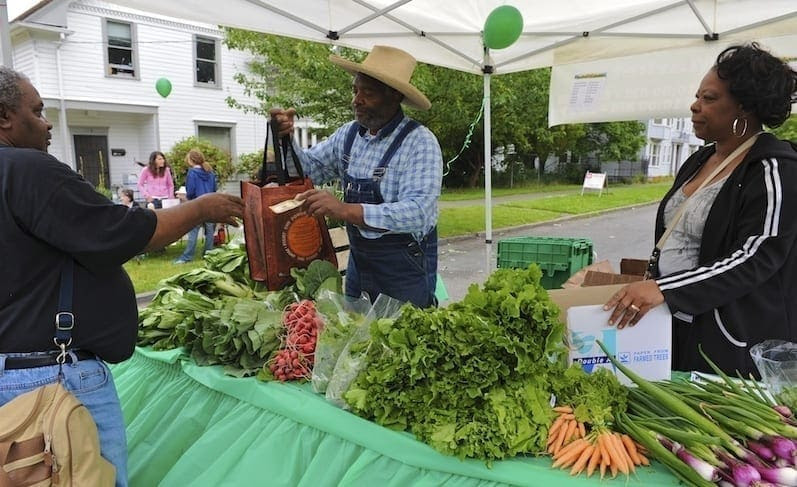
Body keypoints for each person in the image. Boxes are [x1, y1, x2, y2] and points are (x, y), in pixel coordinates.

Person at [0, 66, 243, 486]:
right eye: (38, 112)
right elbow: (122, 232)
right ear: (4, 116)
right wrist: (202, 209)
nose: (48, 124)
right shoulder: (27, 169)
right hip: (53, 377)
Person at [603, 43, 797, 376]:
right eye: (697, 96)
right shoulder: (699, 160)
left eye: (708, 99)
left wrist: (666, 290)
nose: (694, 106)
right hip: (675, 324)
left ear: (745, 107)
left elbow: (754, 258)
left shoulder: (774, 169)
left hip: (729, 344)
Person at [271, 45, 443, 308]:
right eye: (355, 90)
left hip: (404, 273)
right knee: (354, 340)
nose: (356, 100)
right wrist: (286, 141)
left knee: (401, 344)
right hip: (360, 268)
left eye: (368, 93)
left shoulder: (419, 142)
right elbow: (308, 170)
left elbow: (418, 212)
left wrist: (344, 210)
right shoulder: (349, 135)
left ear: (394, 96)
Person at [174, 149, 217, 264]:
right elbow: (214, 189)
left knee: (193, 230)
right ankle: (208, 254)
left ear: (192, 160)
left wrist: (186, 196)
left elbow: (191, 190)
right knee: (209, 231)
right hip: (210, 204)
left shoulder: (192, 173)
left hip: (196, 204)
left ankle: (187, 257)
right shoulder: (210, 172)